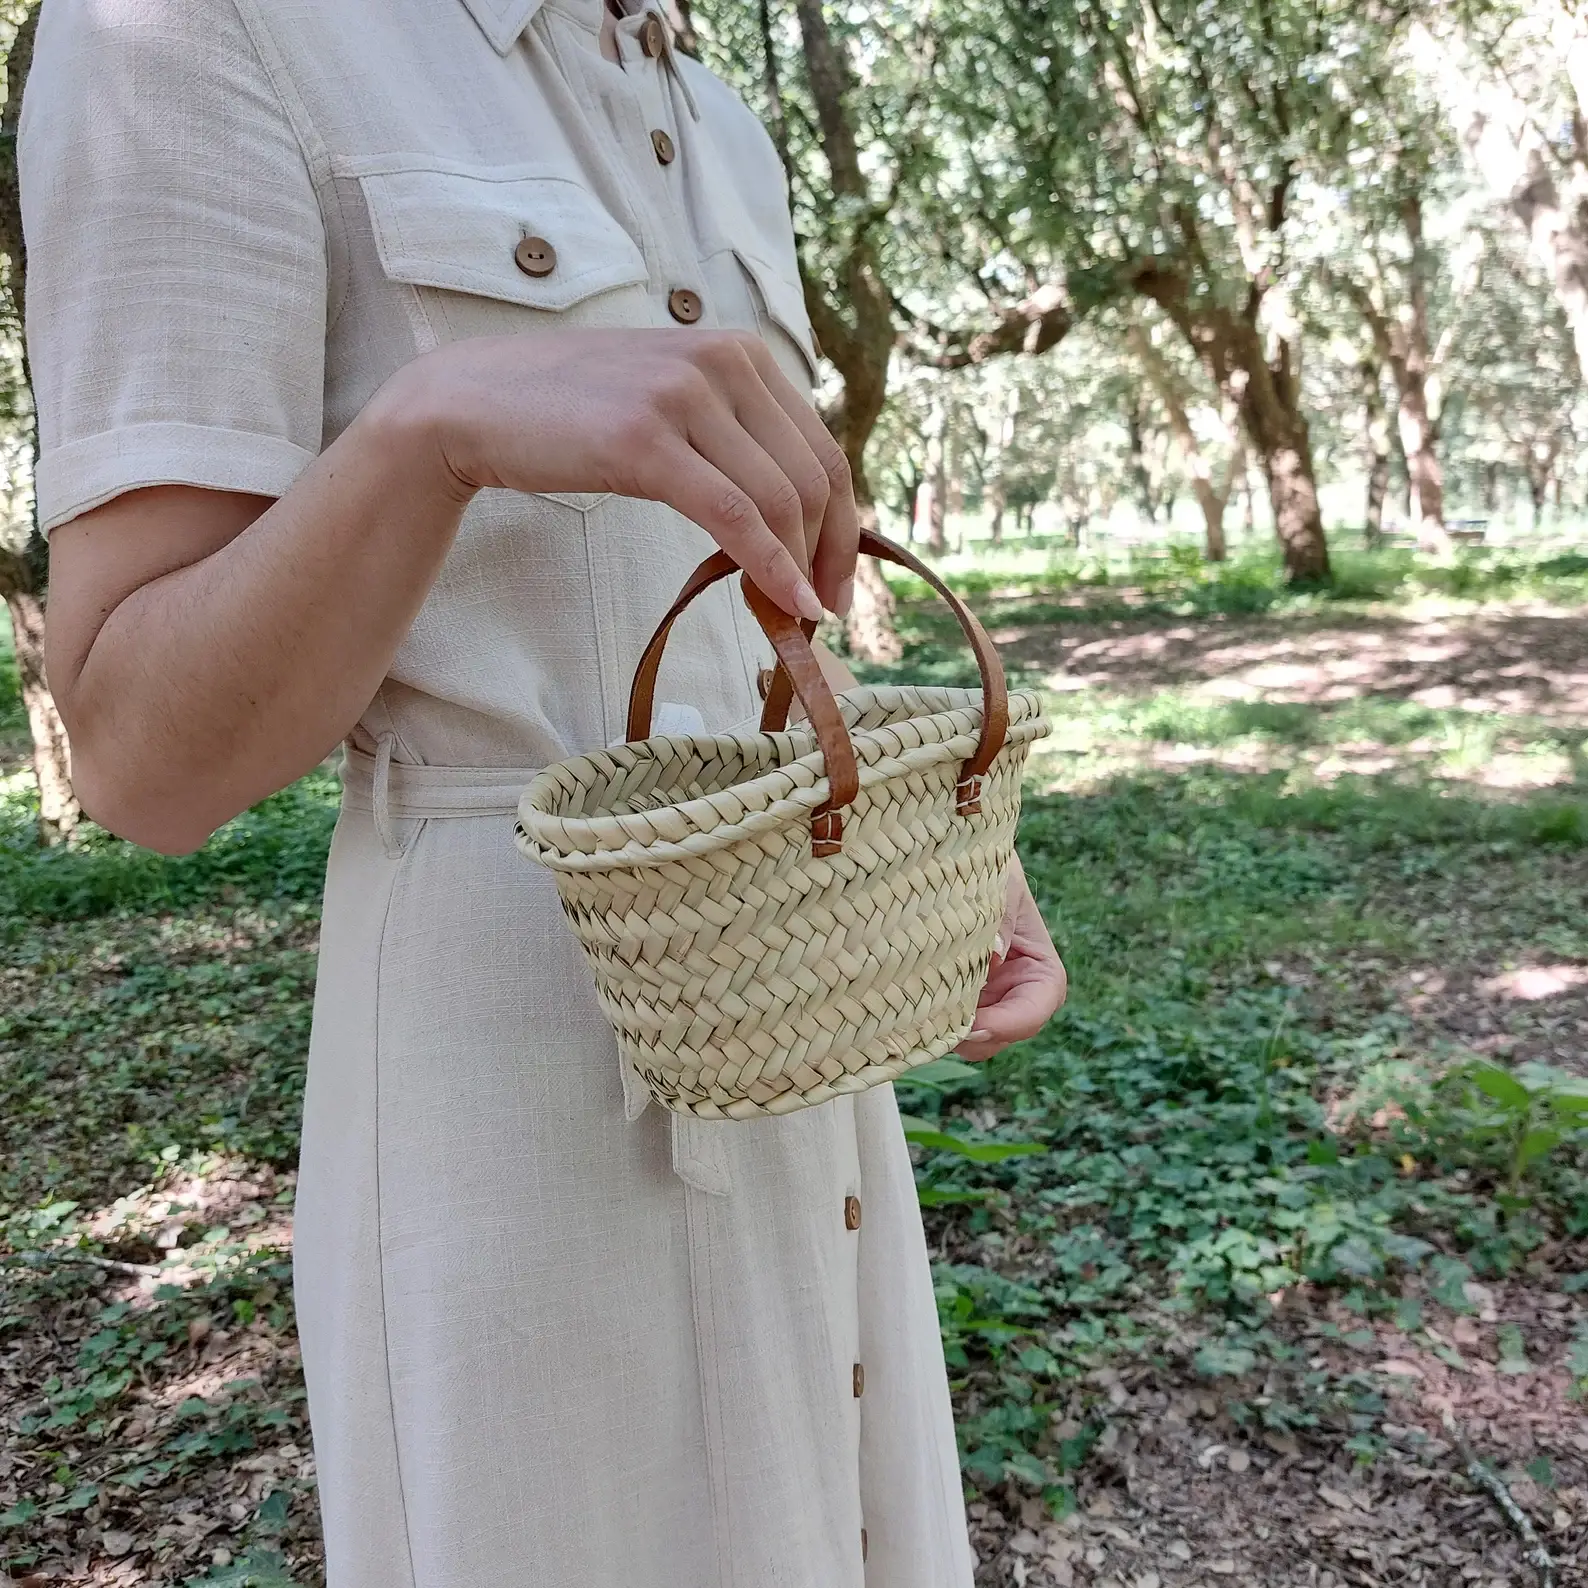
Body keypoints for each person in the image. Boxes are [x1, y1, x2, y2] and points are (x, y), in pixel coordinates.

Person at [19, 0, 1068, 1583]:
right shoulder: (199, 30)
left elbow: (748, 597)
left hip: (789, 1028)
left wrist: (928, 839)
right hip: (513, 1108)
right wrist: (434, 433)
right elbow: (142, 762)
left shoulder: (710, 110)